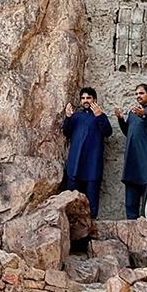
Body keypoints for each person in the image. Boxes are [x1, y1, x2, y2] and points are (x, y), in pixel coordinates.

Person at [115, 84, 147, 219]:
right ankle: (131, 222)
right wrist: (121, 120)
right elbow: (128, 132)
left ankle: (146, 222)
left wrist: (145, 116)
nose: (138, 96)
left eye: (141, 93)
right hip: (133, 159)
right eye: (136, 94)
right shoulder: (133, 113)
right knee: (131, 192)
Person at [59, 87, 113, 217]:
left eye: (88, 98)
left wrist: (100, 116)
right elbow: (66, 132)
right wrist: (68, 117)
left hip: (92, 164)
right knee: (72, 198)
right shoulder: (76, 116)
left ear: (95, 99)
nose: (85, 100)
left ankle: (92, 223)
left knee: (91, 198)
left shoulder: (100, 116)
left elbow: (108, 132)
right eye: (83, 98)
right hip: (75, 163)